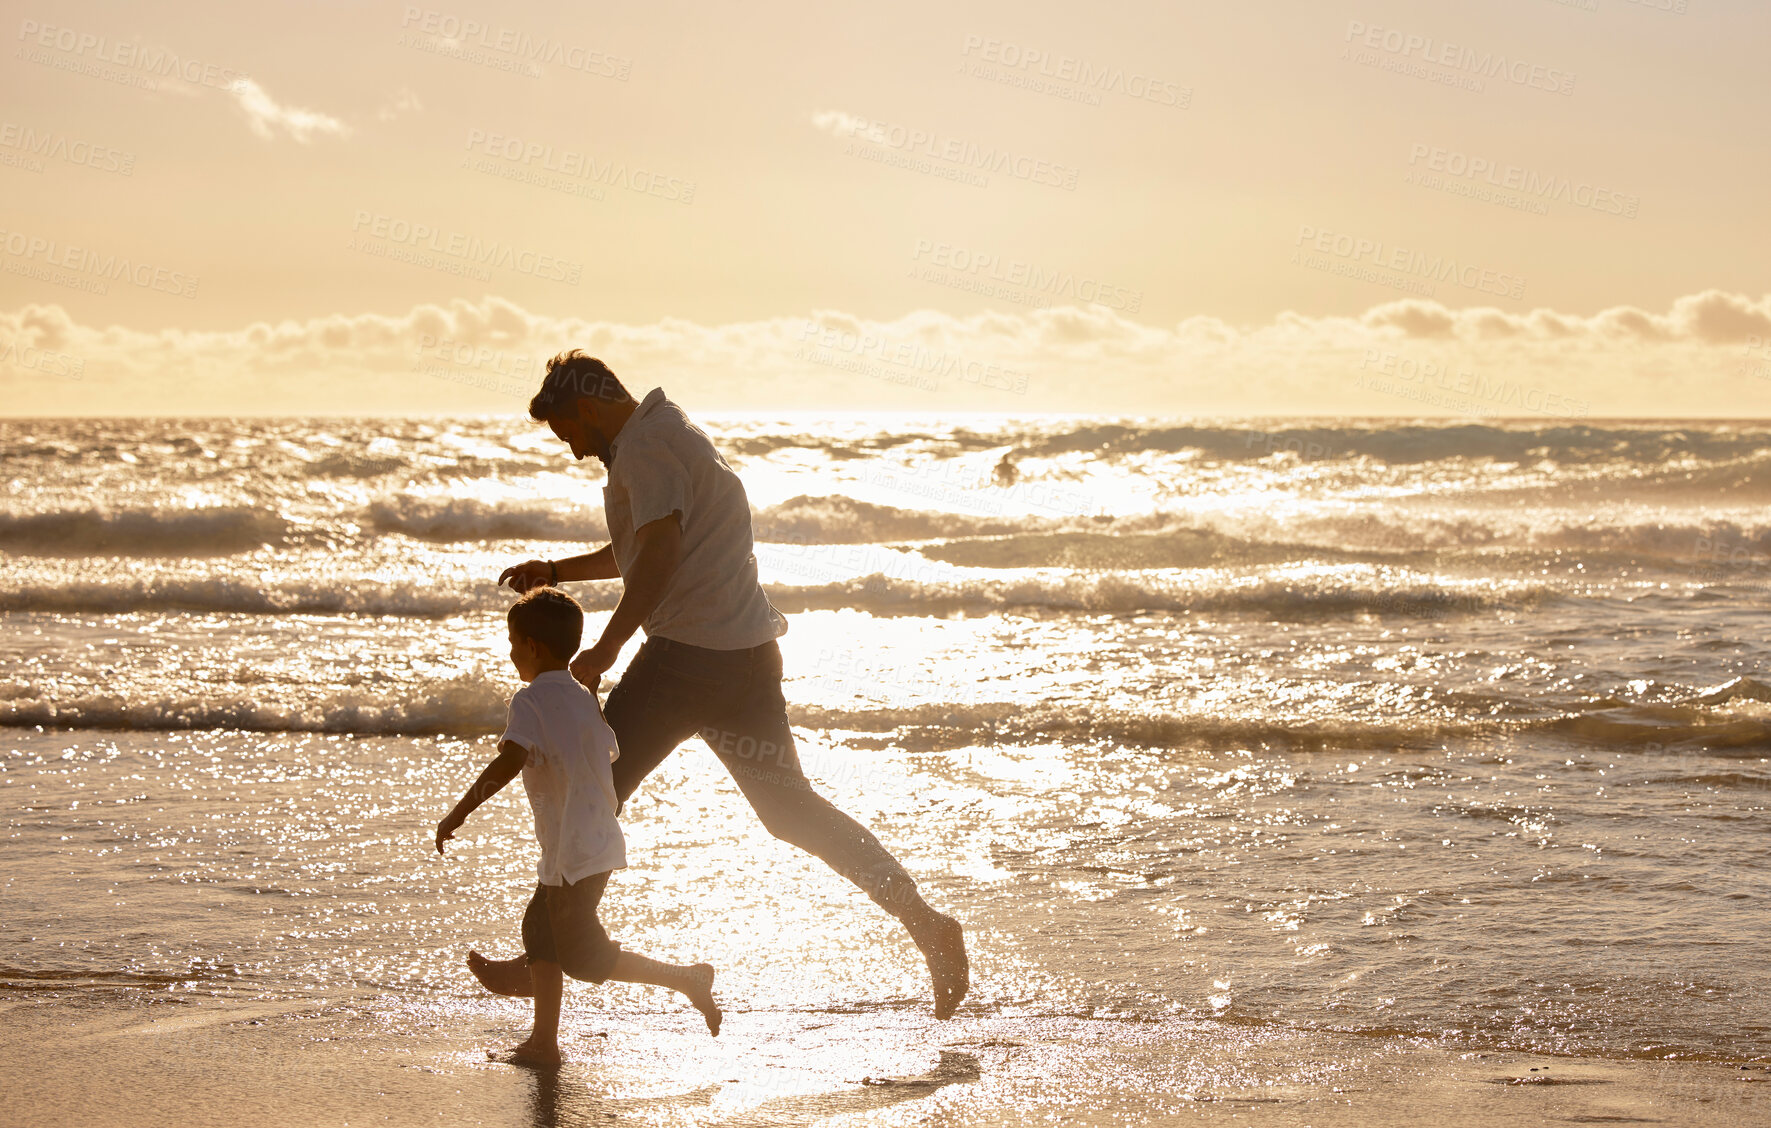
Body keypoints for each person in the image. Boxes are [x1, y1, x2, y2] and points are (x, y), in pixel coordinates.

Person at [494, 351, 969, 1019]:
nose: (573, 451)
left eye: (569, 433)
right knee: (791, 812)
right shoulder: (671, 432)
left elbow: (656, 554)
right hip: (746, 660)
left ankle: (544, 952)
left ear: (590, 409)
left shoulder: (646, 449)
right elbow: (644, 542)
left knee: (590, 796)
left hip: (684, 665)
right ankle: (926, 924)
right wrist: (557, 568)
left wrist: (606, 646)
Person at [436, 586, 721, 1067]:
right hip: (591, 840)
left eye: (513, 642)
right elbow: (609, 750)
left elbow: (508, 762)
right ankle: (542, 1042)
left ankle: (685, 978)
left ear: (533, 647)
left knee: (583, 956)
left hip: (573, 847)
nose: (510, 653)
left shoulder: (529, 701)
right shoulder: (582, 696)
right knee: (541, 932)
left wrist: (460, 811)